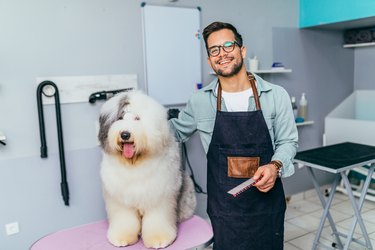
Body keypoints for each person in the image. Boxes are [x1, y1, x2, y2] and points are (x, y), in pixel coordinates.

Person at [169, 21, 298, 249]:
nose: (222, 54)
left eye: (228, 45)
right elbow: (174, 132)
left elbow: (288, 141)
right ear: (210, 60)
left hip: (266, 208)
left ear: (242, 50)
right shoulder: (200, 101)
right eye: (214, 50)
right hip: (225, 209)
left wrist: (275, 166)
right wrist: (136, 124)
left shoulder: (276, 95)